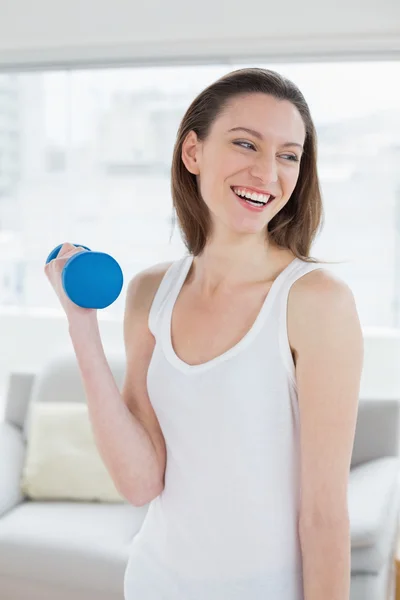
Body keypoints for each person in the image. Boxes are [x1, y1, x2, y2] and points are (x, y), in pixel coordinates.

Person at [45, 68, 364, 600]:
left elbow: (325, 516)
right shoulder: (151, 293)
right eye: (246, 144)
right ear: (193, 152)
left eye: (288, 155)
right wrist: (81, 326)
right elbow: (140, 482)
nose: (267, 172)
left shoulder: (316, 302)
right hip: (154, 583)